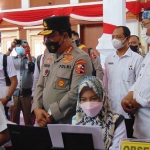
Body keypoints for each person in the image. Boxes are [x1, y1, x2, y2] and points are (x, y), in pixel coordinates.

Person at [31, 16, 93, 126]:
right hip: (43, 119)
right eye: (46, 37)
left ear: (64, 36)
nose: (47, 41)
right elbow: (40, 85)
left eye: (50, 36)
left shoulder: (80, 58)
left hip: (65, 121)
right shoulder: (48, 56)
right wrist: (36, 109)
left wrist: (50, 114)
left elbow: (76, 92)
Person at [104, 26, 143, 138]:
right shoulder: (109, 59)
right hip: (111, 112)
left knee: (127, 140)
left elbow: (139, 84)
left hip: (129, 112)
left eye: (119, 36)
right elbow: (106, 83)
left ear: (127, 38)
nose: (115, 39)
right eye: (113, 37)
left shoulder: (136, 59)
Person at [72, 76, 127, 150]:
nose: (89, 104)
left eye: (94, 98)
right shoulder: (75, 120)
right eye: (83, 100)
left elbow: (117, 147)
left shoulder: (116, 120)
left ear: (103, 98)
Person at [121, 7, 150, 139]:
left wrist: (132, 103)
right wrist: (127, 97)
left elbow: (147, 95)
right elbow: (141, 80)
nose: (144, 29)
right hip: (141, 127)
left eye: (145, 24)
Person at [6, 39, 35, 125]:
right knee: (13, 119)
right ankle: (15, 137)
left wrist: (28, 53)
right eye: (19, 46)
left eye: (23, 46)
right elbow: (3, 60)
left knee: (28, 119)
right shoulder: (11, 59)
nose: (21, 48)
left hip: (27, 94)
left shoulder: (31, 58)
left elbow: (31, 68)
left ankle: (29, 137)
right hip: (14, 93)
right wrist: (11, 48)